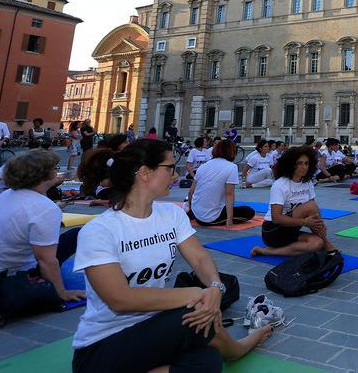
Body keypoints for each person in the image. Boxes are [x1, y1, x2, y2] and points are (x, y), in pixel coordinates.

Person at [71, 139, 271, 372]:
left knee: (208, 361)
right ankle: (235, 349)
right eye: (170, 168)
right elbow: (120, 299)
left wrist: (215, 287)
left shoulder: (170, 215)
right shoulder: (100, 230)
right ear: (145, 173)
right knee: (194, 311)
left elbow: (199, 258)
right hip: (102, 346)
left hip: (153, 329)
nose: (176, 176)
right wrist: (197, 294)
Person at [0, 150, 83, 304]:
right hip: (6, 278)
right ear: (44, 174)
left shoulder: (7, 195)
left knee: (74, 235)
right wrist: (60, 293)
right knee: (78, 235)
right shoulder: (45, 208)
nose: (56, 171)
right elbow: (46, 260)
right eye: (54, 168)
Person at [250, 147, 336, 257]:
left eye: (306, 163)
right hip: (273, 231)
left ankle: (267, 251)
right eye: (299, 163)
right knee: (310, 206)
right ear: (291, 164)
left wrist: (320, 226)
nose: (304, 167)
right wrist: (305, 222)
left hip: (292, 229)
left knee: (316, 243)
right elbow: (276, 218)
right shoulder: (280, 185)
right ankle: (326, 243)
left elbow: (314, 213)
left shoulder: (307, 182)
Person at [187, 140, 256, 227]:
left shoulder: (203, 166)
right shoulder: (231, 167)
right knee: (248, 211)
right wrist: (229, 219)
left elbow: (191, 192)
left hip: (196, 214)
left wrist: (191, 211)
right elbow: (229, 194)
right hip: (211, 218)